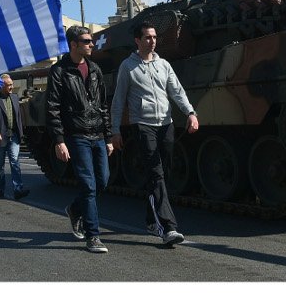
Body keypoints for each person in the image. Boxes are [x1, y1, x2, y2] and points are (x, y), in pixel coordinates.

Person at [110, 21, 200, 246]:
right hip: (143, 125)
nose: (152, 41)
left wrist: (190, 112)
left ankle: (151, 219)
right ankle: (168, 227)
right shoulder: (127, 67)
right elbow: (118, 100)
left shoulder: (164, 64)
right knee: (156, 173)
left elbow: (176, 91)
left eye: (154, 37)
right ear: (138, 41)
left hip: (166, 124)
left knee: (164, 173)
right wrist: (115, 131)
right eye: (148, 37)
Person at [46, 25, 113, 254]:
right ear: (73, 44)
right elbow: (52, 107)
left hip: (98, 135)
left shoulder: (94, 69)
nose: (91, 44)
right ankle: (93, 236)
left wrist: (109, 136)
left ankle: (75, 209)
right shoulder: (59, 71)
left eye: (91, 41)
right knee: (88, 184)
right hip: (77, 135)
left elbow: (104, 105)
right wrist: (59, 140)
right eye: (86, 41)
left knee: (102, 181)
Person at [0, 74, 29, 200]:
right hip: (0, 137)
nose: (11, 87)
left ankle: (18, 189)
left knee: (15, 162)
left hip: (14, 136)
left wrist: (21, 132)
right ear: (1, 86)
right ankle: (0, 190)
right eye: (9, 85)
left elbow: (18, 116)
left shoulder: (15, 97)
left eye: (12, 84)